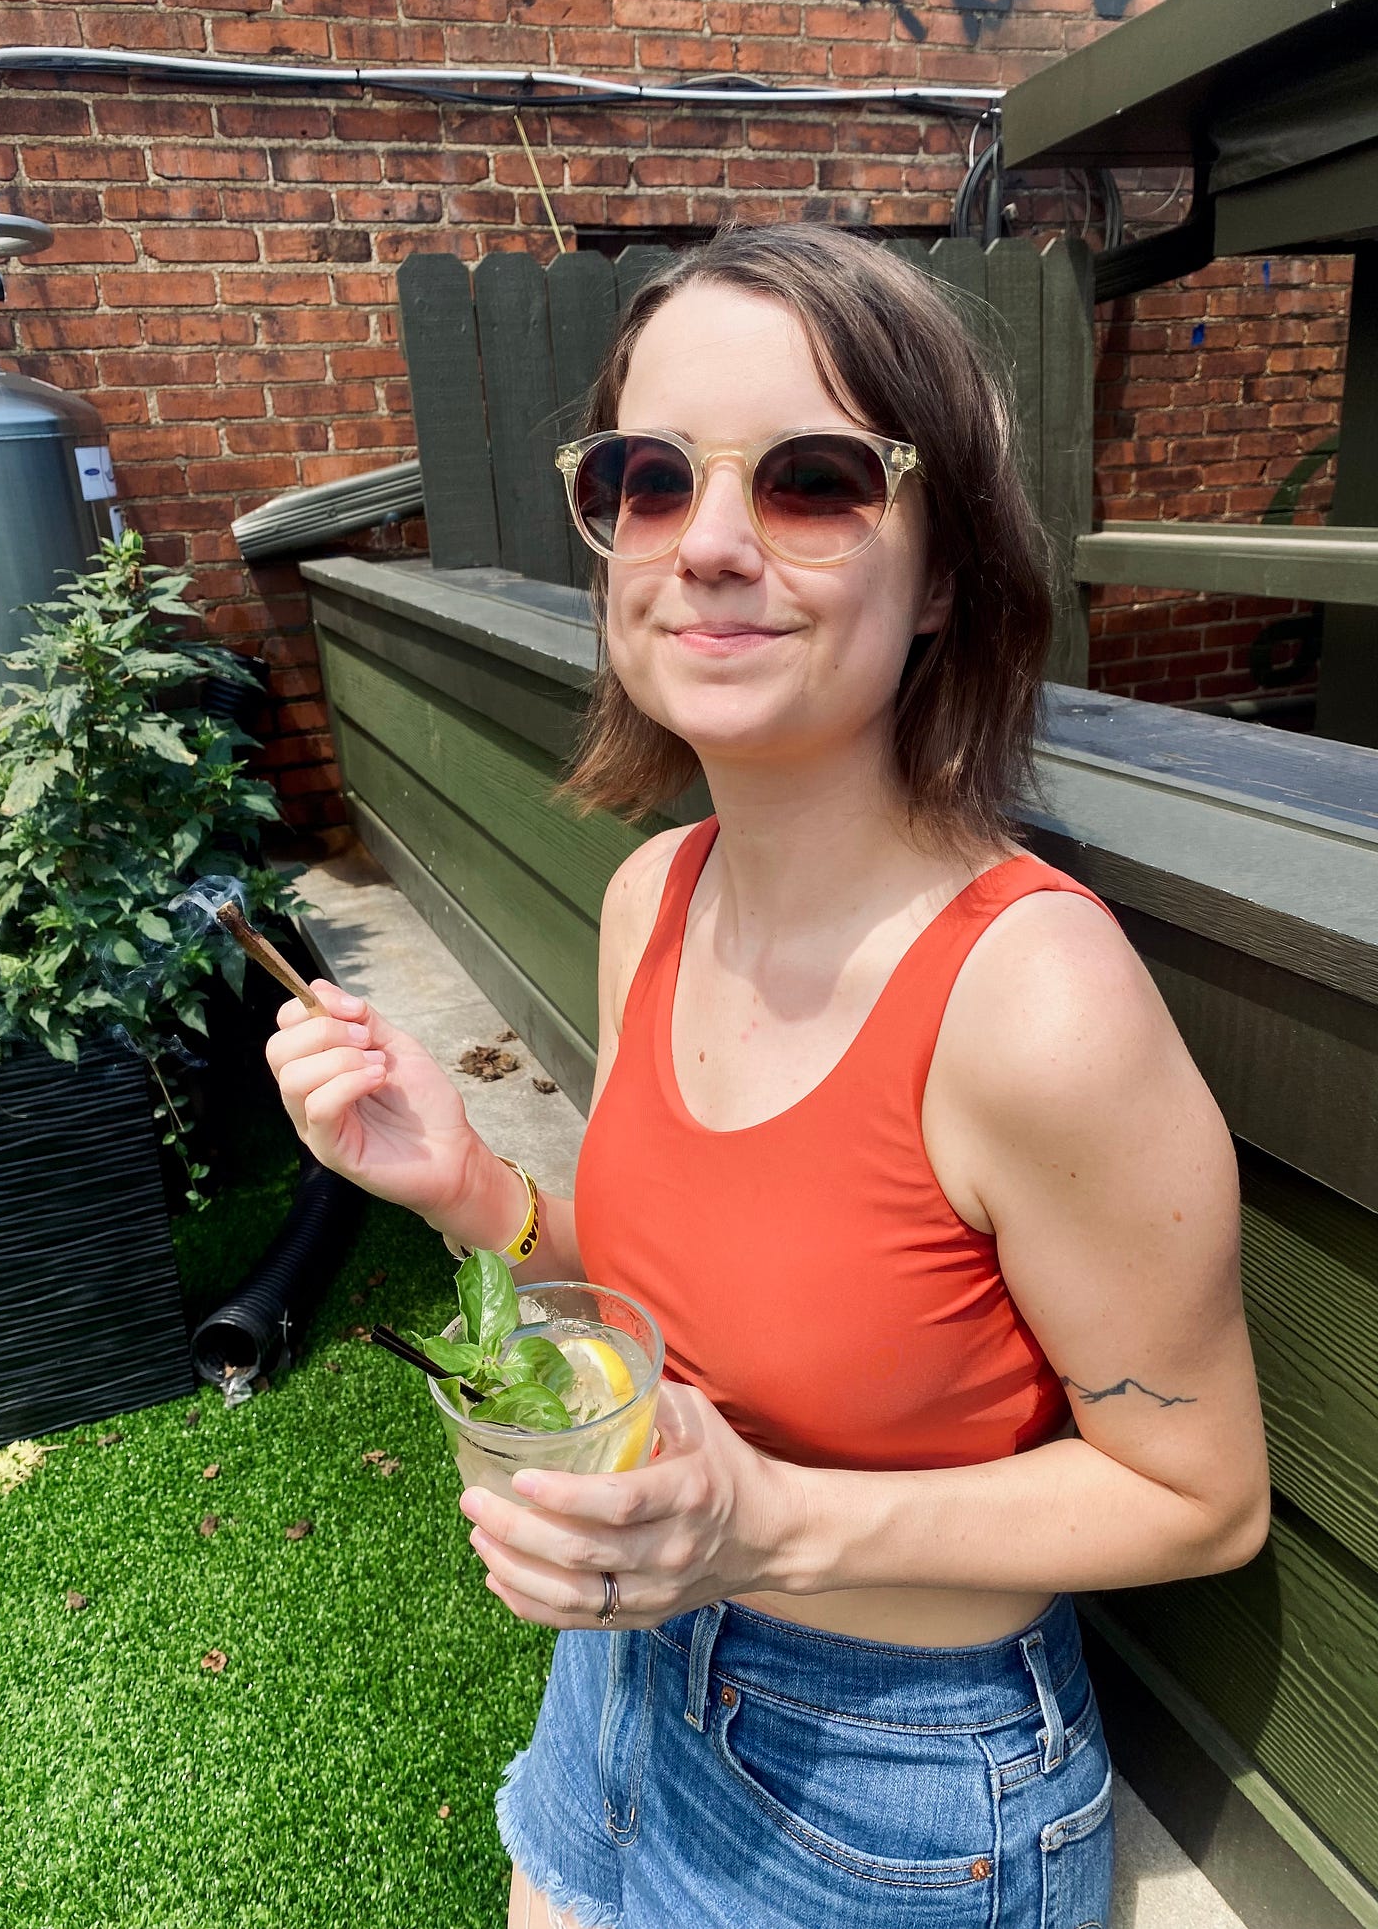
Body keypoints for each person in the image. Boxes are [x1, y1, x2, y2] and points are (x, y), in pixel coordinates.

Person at [266, 223, 1270, 1929]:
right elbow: (684, 1299)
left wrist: (768, 1528)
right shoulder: (653, 895)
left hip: (900, 1786)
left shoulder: (1035, 999)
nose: (710, 543)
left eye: (813, 480)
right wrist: (472, 1189)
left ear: (945, 573)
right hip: (623, 1683)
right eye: (649, 479)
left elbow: (1201, 1498)